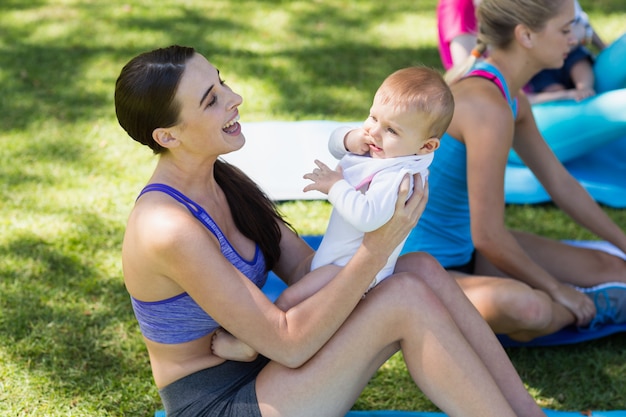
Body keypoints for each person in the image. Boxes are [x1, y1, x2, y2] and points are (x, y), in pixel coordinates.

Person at [115, 45, 547, 417]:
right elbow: (288, 344)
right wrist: (375, 251)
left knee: (421, 269)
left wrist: (382, 237)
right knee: (403, 297)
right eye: (211, 100)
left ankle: (529, 413)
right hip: (222, 404)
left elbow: (307, 267)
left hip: (263, 372)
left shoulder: (224, 181)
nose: (236, 97)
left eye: (223, 83)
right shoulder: (167, 227)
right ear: (167, 136)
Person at [408, 0, 626, 343]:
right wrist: (556, 289)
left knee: (616, 270)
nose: (577, 39)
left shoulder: (510, 97)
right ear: (525, 35)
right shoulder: (485, 107)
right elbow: (489, 236)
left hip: (468, 252)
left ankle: (577, 298)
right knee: (531, 308)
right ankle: (587, 309)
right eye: (566, 29)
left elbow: (560, 183)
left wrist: (623, 243)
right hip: (413, 269)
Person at [276, 67, 451, 306]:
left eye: (391, 130)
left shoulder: (398, 176)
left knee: (289, 300)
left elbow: (368, 217)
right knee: (299, 289)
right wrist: (350, 139)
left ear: (427, 146)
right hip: (336, 261)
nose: (374, 132)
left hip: (351, 271)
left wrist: (335, 186)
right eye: (373, 117)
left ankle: (252, 342)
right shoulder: (392, 150)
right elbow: (335, 143)